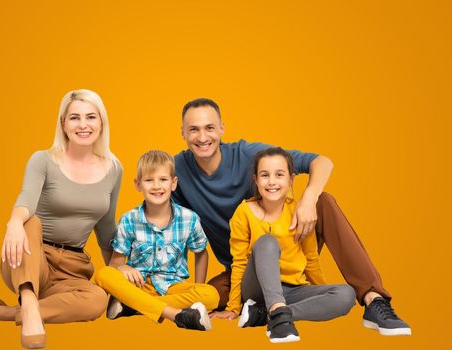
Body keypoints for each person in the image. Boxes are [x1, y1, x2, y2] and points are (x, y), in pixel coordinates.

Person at [172, 98, 411, 336]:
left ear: (222, 128)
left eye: (209, 128)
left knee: (324, 201)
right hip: (245, 270)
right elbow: (165, 219)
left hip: (292, 252)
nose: (203, 137)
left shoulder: (248, 154)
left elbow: (322, 161)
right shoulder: (177, 169)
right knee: (201, 300)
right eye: (194, 129)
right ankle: (265, 311)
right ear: (183, 132)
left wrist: (308, 198)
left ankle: (373, 298)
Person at [0, 89, 122, 348]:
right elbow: (26, 200)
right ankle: (28, 298)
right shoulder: (43, 160)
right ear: (63, 123)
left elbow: (107, 226)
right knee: (30, 220)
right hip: (30, 257)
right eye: (74, 117)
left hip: (72, 270)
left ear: (102, 121)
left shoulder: (113, 168)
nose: (84, 125)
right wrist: (13, 222)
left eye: (91, 117)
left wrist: (120, 279)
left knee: (97, 300)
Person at [217, 147, 356, 342]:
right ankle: (275, 313)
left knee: (346, 294)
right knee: (266, 241)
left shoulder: (301, 212)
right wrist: (233, 308)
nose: (272, 181)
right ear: (256, 180)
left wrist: (322, 292)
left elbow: (311, 258)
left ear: (290, 180)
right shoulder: (244, 212)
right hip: (256, 289)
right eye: (265, 175)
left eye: (279, 175)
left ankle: (272, 314)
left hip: (293, 290)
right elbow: (239, 262)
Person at [95, 150, 219, 331]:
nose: (156, 186)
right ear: (138, 184)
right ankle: (175, 314)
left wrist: (198, 287)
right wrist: (123, 267)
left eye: (163, 179)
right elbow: (116, 263)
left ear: (173, 183)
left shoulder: (189, 219)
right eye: (149, 180)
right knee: (104, 274)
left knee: (211, 295)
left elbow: (201, 253)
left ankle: (132, 306)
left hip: (173, 287)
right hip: (138, 285)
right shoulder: (129, 219)